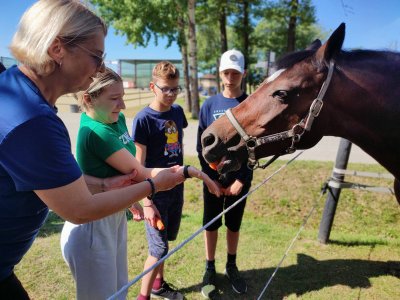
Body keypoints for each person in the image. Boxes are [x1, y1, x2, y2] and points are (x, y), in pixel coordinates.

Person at [0, 2, 183, 298]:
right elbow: (80, 209)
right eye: (96, 56)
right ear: (58, 49)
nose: (100, 67)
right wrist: (151, 186)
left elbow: (50, 178)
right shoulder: (31, 120)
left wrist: (102, 184)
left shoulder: (15, 93)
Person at [132, 61, 220, 300]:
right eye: (165, 89)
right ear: (152, 87)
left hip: (176, 189)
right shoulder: (143, 119)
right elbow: (139, 167)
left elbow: (177, 145)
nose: (170, 94)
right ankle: (143, 296)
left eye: (175, 89)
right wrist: (147, 203)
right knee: (158, 249)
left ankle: (158, 285)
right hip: (154, 192)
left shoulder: (178, 112)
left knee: (167, 242)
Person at [196, 49, 254, 298]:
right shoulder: (209, 105)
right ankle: (210, 268)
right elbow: (202, 146)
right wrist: (210, 179)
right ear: (220, 74)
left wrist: (242, 179)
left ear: (244, 74)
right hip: (212, 181)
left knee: (233, 224)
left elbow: (255, 148)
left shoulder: (250, 104)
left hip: (238, 182)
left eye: (235, 73)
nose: (230, 77)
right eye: (226, 72)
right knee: (211, 224)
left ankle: (231, 265)